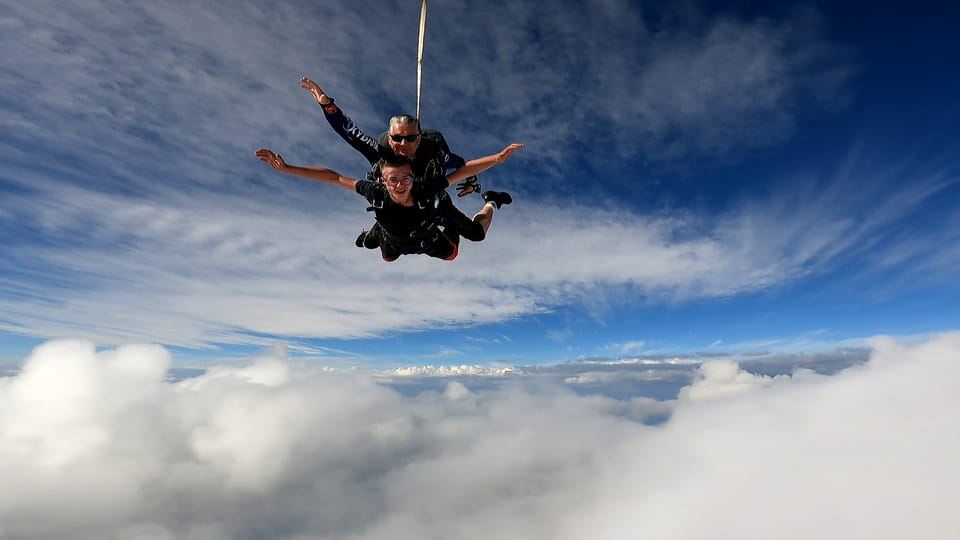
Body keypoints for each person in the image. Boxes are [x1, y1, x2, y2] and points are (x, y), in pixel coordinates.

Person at [254, 143, 523, 262]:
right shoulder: (376, 193)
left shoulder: (423, 190)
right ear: (383, 182)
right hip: (393, 240)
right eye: (393, 180)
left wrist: (496, 159)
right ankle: (373, 233)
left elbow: (461, 172)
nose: (400, 185)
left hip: (427, 238)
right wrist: (287, 168)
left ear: (412, 178)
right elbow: (335, 177)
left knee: (471, 239)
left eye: (405, 178)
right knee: (380, 251)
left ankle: (492, 201)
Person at [299, 77, 483, 247]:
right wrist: (328, 106)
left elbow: (463, 165)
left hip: (433, 203)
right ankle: (379, 229)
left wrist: (472, 182)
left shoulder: (434, 154)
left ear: (420, 138)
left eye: (411, 138)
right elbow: (350, 132)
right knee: (372, 242)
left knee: (476, 234)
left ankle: (492, 202)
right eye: (397, 138)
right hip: (393, 207)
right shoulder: (381, 152)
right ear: (389, 137)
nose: (403, 144)